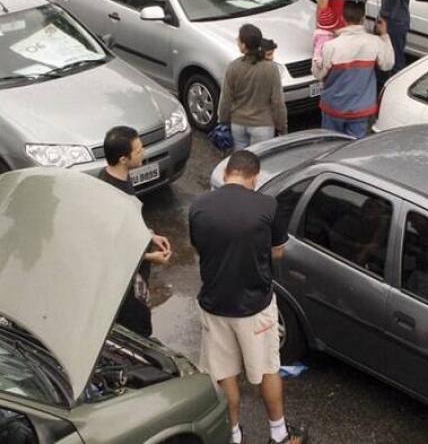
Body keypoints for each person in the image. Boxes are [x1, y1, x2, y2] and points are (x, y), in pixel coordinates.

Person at [189, 150, 307, 444]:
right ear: (254, 177)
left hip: (214, 304)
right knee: (267, 369)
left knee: (224, 373)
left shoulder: (199, 206)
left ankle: (233, 434)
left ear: (229, 172)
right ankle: (279, 434)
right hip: (255, 307)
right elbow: (278, 251)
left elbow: (199, 247)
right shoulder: (266, 205)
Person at [98, 126, 173, 337]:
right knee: (138, 330)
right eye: (138, 151)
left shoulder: (121, 178)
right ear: (123, 159)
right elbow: (112, 249)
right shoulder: (110, 195)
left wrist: (149, 236)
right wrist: (150, 257)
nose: (143, 154)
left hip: (137, 273)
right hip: (127, 284)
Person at [313, 0, 394, 139]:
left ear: (343, 18)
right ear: (363, 19)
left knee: (330, 147)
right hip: (361, 109)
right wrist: (384, 35)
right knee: (354, 150)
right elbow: (388, 64)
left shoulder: (331, 45)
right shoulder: (375, 42)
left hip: (333, 107)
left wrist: (317, 50)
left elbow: (318, 74)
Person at [218, 24, 287, 150]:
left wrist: (223, 121)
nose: (237, 42)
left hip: (238, 123)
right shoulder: (271, 68)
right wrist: (282, 126)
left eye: (239, 40)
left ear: (244, 45)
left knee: (241, 162)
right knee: (261, 162)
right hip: (263, 125)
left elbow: (226, 99)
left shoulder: (233, 67)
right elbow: (278, 102)